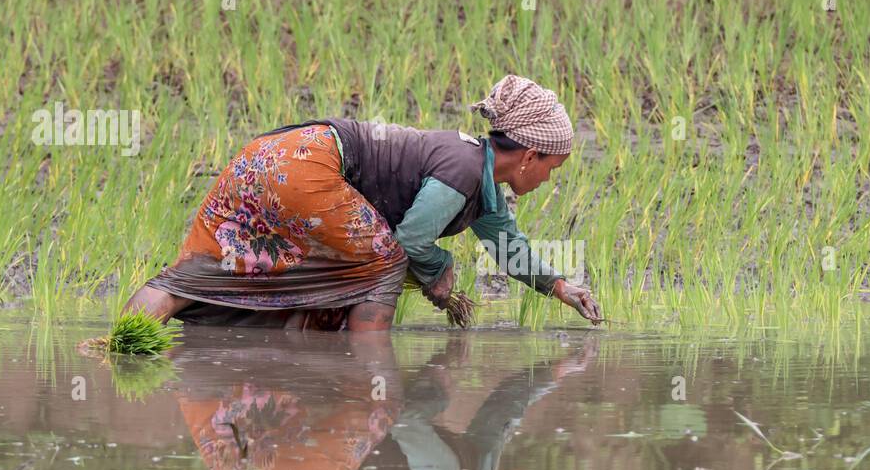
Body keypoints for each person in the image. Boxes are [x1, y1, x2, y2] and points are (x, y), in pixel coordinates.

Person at [123, 75, 602, 331]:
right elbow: (411, 239)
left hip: (269, 156)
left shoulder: (481, 179)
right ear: (531, 155)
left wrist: (561, 287)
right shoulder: (461, 168)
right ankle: (371, 377)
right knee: (385, 264)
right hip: (311, 165)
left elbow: (506, 244)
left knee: (206, 272)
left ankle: (121, 341)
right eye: (551, 169)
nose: (547, 178)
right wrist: (438, 272)